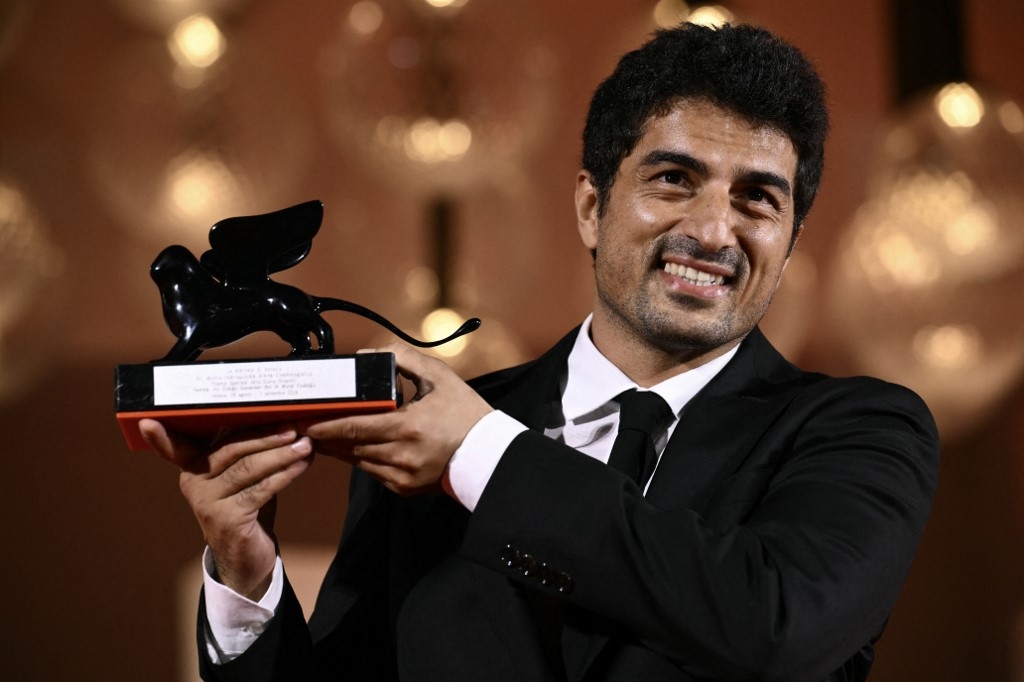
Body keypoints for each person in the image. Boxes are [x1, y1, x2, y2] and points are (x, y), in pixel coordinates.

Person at [141, 22, 939, 682]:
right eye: (673, 179)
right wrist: (244, 579)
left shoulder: (862, 431)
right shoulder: (425, 438)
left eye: (758, 198)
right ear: (592, 207)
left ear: (792, 240)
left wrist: (482, 453)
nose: (713, 229)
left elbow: (776, 628)